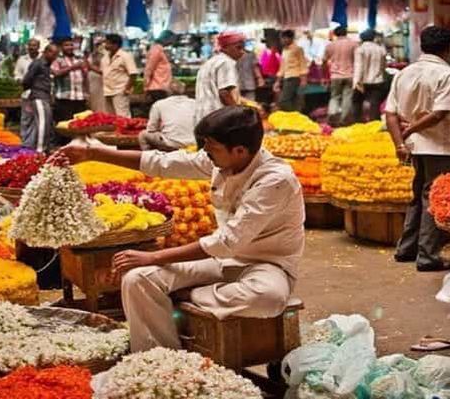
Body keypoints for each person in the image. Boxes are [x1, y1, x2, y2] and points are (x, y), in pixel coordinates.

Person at [59, 106, 304, 352]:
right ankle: (160, 357)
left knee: (268, 298)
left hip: (266, 266)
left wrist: (153, 257)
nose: (205, 152)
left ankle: (189, 294)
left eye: (212, 147)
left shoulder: (275, 180)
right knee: (138, 278)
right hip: (221, 262)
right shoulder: (221, 162)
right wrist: (93, 153)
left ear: (239, 151)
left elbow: (226, 242)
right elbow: (162, 163)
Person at [385, 26, 450, 272]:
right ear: (446, 48)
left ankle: (406, 248)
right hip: (439, 146)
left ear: (421, 45)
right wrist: (410, 131)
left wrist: (399, 142)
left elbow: (390, 114)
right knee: (433, 197)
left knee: (418, 195)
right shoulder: (448, 75)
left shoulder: (403, 73)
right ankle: (428, 256)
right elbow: (439, 113)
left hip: (414, 147)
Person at [193, 31, 245, 126]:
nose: (242, 52)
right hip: (218, 117)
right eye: (238, 48)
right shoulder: (227, 62)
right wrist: (238, 114)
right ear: (225, 48)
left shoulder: (211, 62)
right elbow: (224, 93)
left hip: (203, 116)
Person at [138, 80, 196, 152]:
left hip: (172, 143)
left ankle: (149, 159)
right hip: (193, 142)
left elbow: (151, 129)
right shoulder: (194, 103)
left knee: (143, 135)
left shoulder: (159, 104)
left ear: (168, 92)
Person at [21, 43, 59, 153]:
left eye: (56, 54)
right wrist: (32, 92)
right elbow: (27, 80)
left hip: (45, 97)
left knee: (47, 123)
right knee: (42, 123)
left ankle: (44, 148)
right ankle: (40, 150)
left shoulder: (47, 65)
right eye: (53, 53)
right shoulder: (38, 63)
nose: (55, 57)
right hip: (38, 96)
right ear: (46, 52)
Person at [52, 38, 89, 144]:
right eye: (66, 45)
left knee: (80, 123)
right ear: (61, 48)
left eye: (71, 45)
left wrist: (87, 93)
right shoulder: (58, 60)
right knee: (64, 124)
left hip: (80, 96)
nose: (69, 47)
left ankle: (78, 144)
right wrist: (73, 67)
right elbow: (56, 73)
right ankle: (64, 145)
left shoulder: (79, 58)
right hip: (64, 97)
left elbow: (85, 75)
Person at [324, 26, 359, 125]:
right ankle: (344, 119)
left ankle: (333, 114)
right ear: (346, 33)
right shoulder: (354, 44)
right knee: (347, 97)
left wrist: (324, 74)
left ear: (335, 34)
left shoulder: (330, 45)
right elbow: (357, 60)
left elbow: (324, 60)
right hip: (350, 75)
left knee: (335, 97)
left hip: (335, 76)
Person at [353, 29, 388, 122]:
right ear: (373, 38)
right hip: (378, 80)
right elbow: (384, 66)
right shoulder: (381, 49)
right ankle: (374, 123)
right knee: (375, 103)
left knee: (357, 102)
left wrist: (356, 81)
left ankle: (358, 122)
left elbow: (358, 66)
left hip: (363, 81)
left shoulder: (360, 49)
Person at [101, 34, 139, 118]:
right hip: (107, 90)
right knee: (110, 116)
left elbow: (133, 74)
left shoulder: (125, 56)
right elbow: (103, 72)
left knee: (122, 116)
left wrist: (127, 89)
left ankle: (125, 131)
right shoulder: (105, 57)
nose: (105, 45)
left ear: (115, 45)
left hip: (120, 90)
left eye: (108, 43)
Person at [274, 30, 308, 112]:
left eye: (284, 38)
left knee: (284, 101)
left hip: (295, 77)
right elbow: (282, 67)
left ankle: (294, 116)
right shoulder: (284, 50)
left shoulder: (298, 49)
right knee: (293, 100)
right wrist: (277, 81)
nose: (282, 40)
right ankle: (295, 117)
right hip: (287, 78)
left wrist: (304, 80)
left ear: (291, 38)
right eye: (282, 38)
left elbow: (303, 64)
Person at [144, 31, 175, 103]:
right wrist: (146, 87)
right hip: (157, 87)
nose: (172, 42)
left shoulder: (159, 49)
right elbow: (149, 69)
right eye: (172, 39)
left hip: (161, 87)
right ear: (167, 39)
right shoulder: (156, 49)